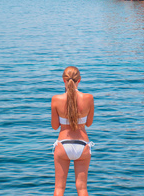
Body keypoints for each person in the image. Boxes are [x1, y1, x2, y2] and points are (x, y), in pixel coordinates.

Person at [51, 66, 94, 196]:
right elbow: (89, 123)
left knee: (59, 188)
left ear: (63, 80)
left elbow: (54, 126)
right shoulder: (89, 98)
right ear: (79, 80)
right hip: (82, 145)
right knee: (82, 188)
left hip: (63, 145)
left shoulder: (56, 99)